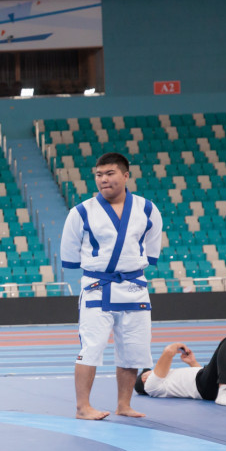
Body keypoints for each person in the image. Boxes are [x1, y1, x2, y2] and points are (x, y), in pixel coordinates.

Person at [60, 152, 163, 420]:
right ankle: (83, 407)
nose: (103, 180)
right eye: (99, 175)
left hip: (134, 285)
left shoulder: (148, 209)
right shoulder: (80, 212)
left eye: (110, 174)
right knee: (91, 347)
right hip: (97, 285)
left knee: (133, 349)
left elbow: (150, 253)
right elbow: (70, 256)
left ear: (125, 175)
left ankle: (124, 405)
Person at [135, 335, 226, 405]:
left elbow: (200, 375)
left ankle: (225, 389)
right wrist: (177, 345)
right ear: (144, 378)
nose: (153, 370)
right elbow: (168, 352)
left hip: (221, 382)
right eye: (148, 371)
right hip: (207, 385)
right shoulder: (150, 386)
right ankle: (224, 389)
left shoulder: (165, 383)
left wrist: (192, 362)